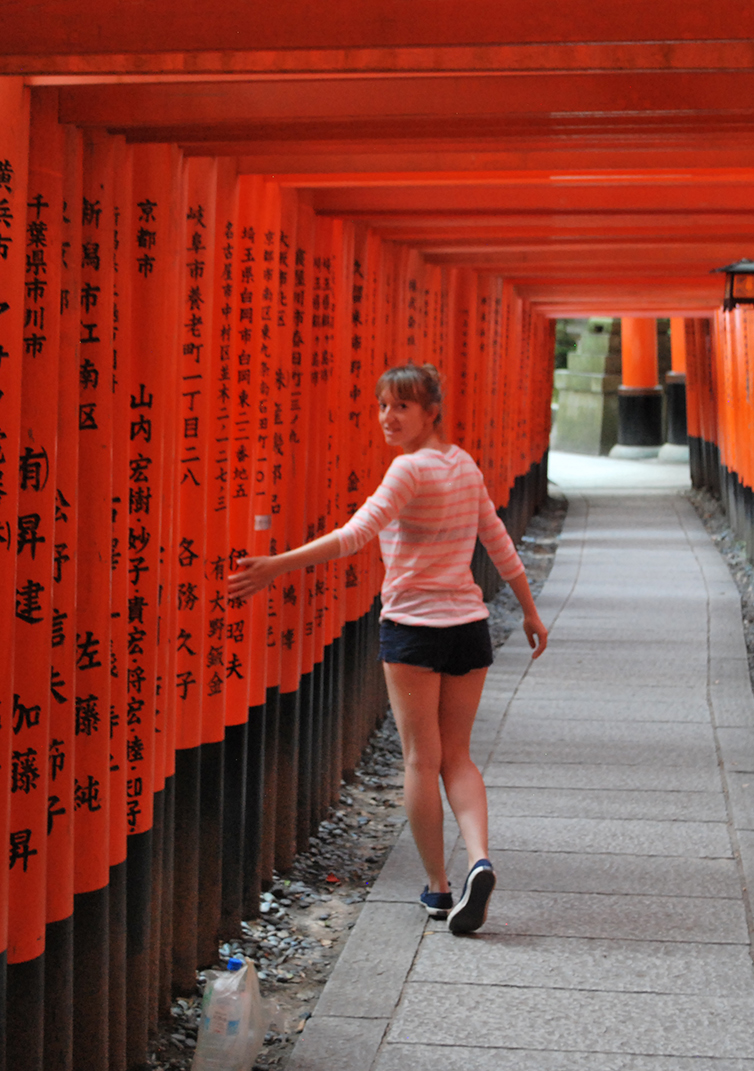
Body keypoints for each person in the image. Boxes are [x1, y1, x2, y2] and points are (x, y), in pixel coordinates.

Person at [227, 362, 549, 935]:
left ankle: (439, 887)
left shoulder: (409, 469)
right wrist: (528, 609)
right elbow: (496, 540)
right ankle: (480, 859)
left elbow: (356, 534)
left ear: (431, 412)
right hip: (468, 628)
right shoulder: (464, 464)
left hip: (414, 630)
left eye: (402, 406)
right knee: (459, 757)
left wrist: (278, 564)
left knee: (422, 760)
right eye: (382, 406)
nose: (388, 417)